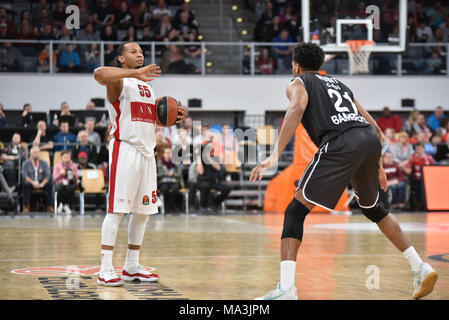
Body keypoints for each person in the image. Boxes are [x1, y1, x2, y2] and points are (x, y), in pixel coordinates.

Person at [250, 43, 438, 300]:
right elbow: (374, 126)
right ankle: (420, 266)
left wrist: (274, 154)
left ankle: (286, 289)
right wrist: (379, 166)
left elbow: (296, 109)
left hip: (340, 142)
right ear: (322, 65)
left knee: (295, 210)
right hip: (368, 140)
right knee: (374, 209)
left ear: (296, 65)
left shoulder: (298, 82)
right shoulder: (340, 85)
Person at [93, 41, 187, 286]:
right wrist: (135, 73)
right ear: (121, 59)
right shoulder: (120, 81)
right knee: (117, 210)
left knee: (143, 212)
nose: (140, 55)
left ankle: (131, 266)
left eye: (141, 52)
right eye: (133, 52)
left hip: (147, 153)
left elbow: (150, 118)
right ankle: (105, 268)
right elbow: (98, 74)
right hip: (125, 148)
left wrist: (172, 116)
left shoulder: (147, 87)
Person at [196, 137, 231, 213]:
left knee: (227, 189)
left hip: (212, 181)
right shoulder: (200, 158)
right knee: (205, 186)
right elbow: (200, 172)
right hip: (202, 181)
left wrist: (209, 159)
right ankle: (203, 206)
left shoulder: (215, 157)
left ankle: (215, 202)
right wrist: (199, 157)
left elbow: (218, 168)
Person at [404, 143, 435, 211]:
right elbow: (408, 171)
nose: (419, 150)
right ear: (415, 150)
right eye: (417, 149)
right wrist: (403, 166)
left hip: (428, 179)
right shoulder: (412, 158)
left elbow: (433, 169)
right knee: (417, 188)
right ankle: (419, 206)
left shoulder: (429, 158)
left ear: (424, 149)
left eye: (420, 148)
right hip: (417, 180)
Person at [21, 146, 53, 213]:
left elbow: (47, 176)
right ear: (31, 154)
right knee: (25, 185)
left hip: (41, 181)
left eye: (38, 152)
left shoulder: (44, 163)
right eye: (34, 152)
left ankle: (50, 206)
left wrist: (42, 184)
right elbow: (25, 176)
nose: (36, 154)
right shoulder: (25, 163)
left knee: (50, 184)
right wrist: (33, 183)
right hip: (30, 182)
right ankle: (26, 206)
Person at [157, 147, 184, 212]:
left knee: (175, 189)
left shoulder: (176, 162)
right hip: (164, 181)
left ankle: (171, 205)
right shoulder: (160, 163)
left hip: (174, 181)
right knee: (164, 189)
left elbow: (179, 174)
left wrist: (173, 174)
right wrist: (165, 173)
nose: (168, 154)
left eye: (170, 153)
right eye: (167, 153)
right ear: (164, 154)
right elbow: (158, 174)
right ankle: (167, 206)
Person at [53, 150, 78, 215]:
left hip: (70, 183)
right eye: (65, 157)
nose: (67, 159)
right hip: (60, 183)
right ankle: (65, 205)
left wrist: (73, 173)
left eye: (68, 157)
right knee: (60, 188)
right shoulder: (57, 166)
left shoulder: (74, 166)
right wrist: (61, 174)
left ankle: (62, 205)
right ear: (61, 157)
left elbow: (76, 179)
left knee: (71, 188)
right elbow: (54, 179)